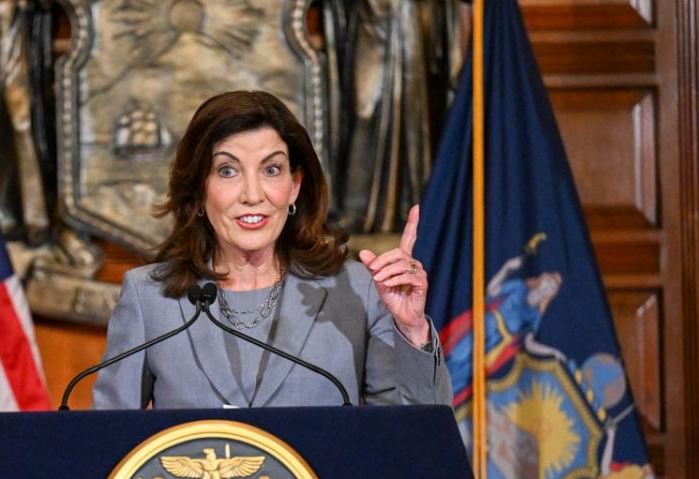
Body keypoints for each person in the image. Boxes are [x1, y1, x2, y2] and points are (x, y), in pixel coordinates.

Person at [92, 90, 452, 409]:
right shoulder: (149, 299)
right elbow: (110, 446)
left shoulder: (358, 291)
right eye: (228, 170)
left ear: (294, 186)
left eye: (272, 169)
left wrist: (412, 331)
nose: (253, 194)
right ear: (200, 190)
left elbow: (413, 442)